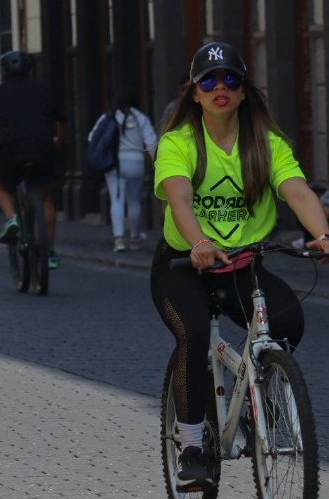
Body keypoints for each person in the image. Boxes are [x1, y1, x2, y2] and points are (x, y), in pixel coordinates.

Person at [151, 41, 329, 491]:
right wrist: (200, 242)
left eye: (231, 78)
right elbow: (179, 197)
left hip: (243, 263)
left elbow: (298, 192)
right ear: (195, 93)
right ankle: (192, 447)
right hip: (182, 266)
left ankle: (258, 400)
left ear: (244, 90)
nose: (220, 87)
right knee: (192, 333)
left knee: (288, 320)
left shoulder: (266, 145)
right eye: (208, 80)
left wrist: (324, 235)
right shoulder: (178, 143)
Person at [0, 51, 67, 268]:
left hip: (9, 150)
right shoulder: (43, 91)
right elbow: (62, 120)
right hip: (42, 148)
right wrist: (59, 139)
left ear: (3, 72)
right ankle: (49, 250)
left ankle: (11, 218)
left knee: (2, 187)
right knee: (44, 195)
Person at [88, 94, 157, 252]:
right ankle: (135, 237)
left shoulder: (109, 117)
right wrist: (158, 165)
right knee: (134, 201)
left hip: (115, 163)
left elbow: (92, 136)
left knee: (116, 200)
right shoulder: (141, 118)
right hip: (136, 162)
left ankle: (119, 239)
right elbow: (152, 143)